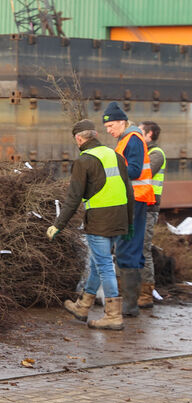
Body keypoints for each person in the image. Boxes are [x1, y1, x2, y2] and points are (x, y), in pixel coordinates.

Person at [47, 119, 134, 330]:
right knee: (98, 263)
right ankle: (83, 306)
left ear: (79, 138)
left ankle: (113, 316)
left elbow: (73, 197)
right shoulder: (114, 155)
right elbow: (129, 191)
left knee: (104, 266)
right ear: (94, 135)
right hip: (119, 218)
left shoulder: (84, 161)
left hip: (99, 221)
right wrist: (129, 223)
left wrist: (58, 224)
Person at [102, 102, 155, 317]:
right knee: (130, 247)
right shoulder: (126, 139)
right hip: (134, 200)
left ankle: (130, 305)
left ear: (122, 122)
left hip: (134, 200)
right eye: (106, 127)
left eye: (111, 125)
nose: (109, 130)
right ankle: (131, 303)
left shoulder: (132, 139)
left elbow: (132, 170)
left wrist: (107, 168)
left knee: (127, 247)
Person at [138, 121, 166, 308]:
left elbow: (143, 173)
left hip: (148, 209)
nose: (137, 136)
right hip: (139, 207)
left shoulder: (156, 154)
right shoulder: (145, 153)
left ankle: (146, 295)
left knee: (143, 251)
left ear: (150, 134)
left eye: (140, 132)